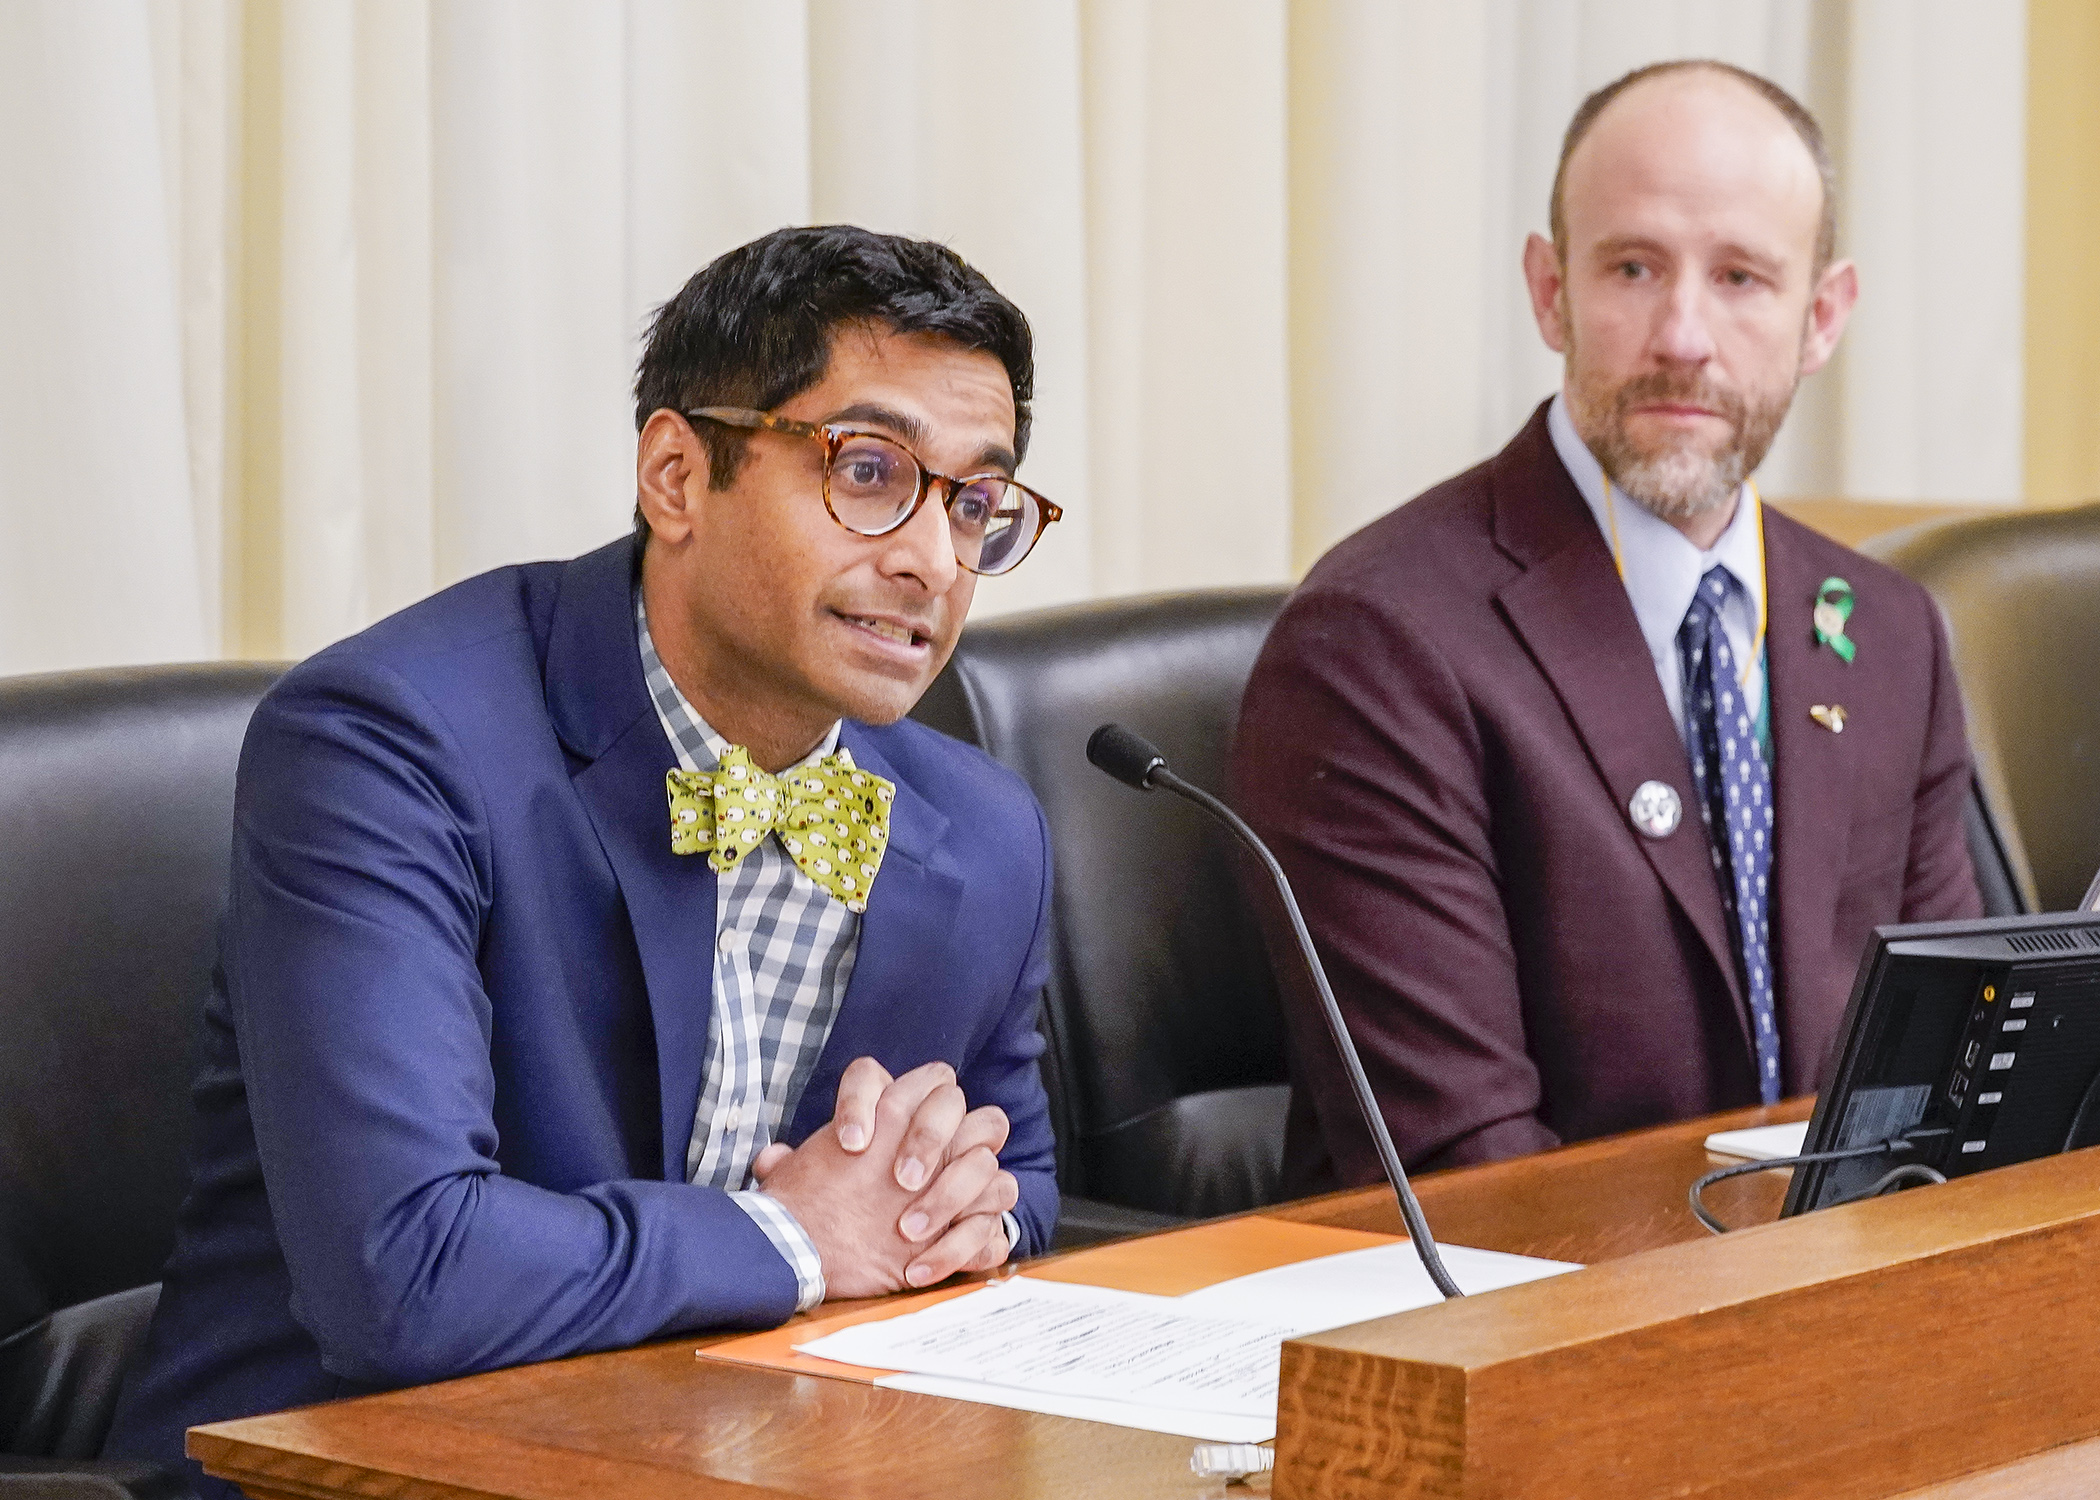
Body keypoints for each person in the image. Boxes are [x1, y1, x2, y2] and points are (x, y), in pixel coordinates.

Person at [105, 226, 1066, 1493]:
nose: (932, 561)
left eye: (975, 503)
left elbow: (1025, 1186)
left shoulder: (982, 828)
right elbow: (405, 1272)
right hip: (335, 1469)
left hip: (741, 1458)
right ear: (677, 476)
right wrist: (797, 1238)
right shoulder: (388, 746)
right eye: (869, 472)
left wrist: (947, 1210)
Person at [1234, 61, 1981, 1191]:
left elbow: (1946, 1088)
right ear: (1551, 292)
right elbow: (1470, 1171)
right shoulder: (1376, 643)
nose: (1684, 335)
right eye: (1633, 267)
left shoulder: (1888, 633)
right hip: (1535, 1290)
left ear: (1821, 317)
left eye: (1741, 278)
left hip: (1853, 1278)